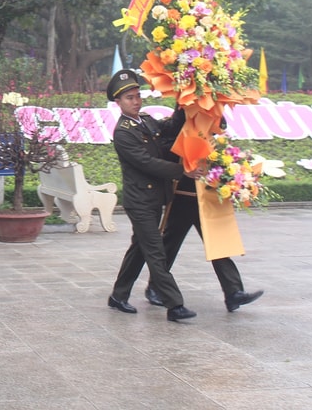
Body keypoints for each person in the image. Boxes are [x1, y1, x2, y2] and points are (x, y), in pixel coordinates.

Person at [106, 69, 203, 322]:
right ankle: (175, 304)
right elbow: (148, 163)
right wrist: (183, 171)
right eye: (129, 98)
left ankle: (118, 295)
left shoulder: (146, 120)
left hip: (154, 200)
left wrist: (183, 99)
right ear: (118, 103)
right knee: (155, 251)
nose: (136, 101)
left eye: (138, 96)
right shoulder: (123, 132)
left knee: (139, 248)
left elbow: (171, 126)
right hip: (139, 201)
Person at [145, 119, 264, 313]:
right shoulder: (177, 128)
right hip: (182, 198)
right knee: (169, 245)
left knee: (218, 244)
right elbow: (165, 155)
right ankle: (155, 287)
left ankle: (233, 292)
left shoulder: (212, 137)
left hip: (206, 198)